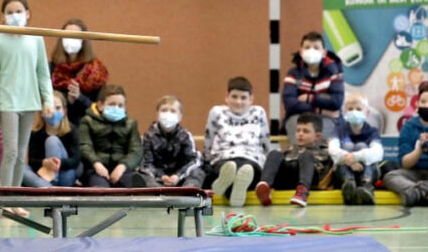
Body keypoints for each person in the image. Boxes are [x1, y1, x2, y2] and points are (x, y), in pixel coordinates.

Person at [0, 0, 54, 190]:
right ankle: (5, 198)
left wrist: (47, 100)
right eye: (10, 12)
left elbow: (43, 72)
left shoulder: (36, 40)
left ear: (27, 13)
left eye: (18, 11)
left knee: (21, 152)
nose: (15, 15)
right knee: (10, 151)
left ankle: (15, 198)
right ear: (2, 16)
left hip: (29, 100)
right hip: (8, 102)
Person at [203, 76, 270, 207]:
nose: (238, 102)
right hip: (224, 158)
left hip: (251, 159)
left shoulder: (258, 112)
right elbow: (208, 139)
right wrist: (206, 159)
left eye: (243, 98)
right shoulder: (217, 112)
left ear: (251, 99)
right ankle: (228, 184)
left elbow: (265, 140)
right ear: (226, 96)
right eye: (234, 97)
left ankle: (226, 188)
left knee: (248, 170)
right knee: (228, 167)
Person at [384, 82, 428, 207]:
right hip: (413, 173)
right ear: (417, 103)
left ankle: (417, 191)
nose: (426, 105)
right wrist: (419, 149)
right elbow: (405, 163)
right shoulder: (408, 127)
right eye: (423, 101)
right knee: (390, 176)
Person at [255, 112, 333, 207]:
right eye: (298, 130)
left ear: (317, 136)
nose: (300, 134)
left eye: (305, 131)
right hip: (289, 177)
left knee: (305, 155)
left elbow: (323, 170)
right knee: (275, 153)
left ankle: (302, 192)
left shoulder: (323, 148)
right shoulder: (291, 148)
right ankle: (265, 186)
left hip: (310, 177)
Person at [282, 31, 345, 143]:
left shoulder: (334, 72)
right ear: (301, 51)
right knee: (297, 128)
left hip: (329, 119)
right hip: (298, 118)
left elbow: (336, 102)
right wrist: (320, 110)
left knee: (317, 135)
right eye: (307, 47)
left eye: (316, 48)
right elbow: (289, 103)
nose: (311, 51)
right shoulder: (293, 73)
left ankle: (317, 159)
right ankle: (298, 158)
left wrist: (309, 98)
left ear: (324, 52)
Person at [79, 84, 143, 187]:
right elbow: (85, 146)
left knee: (135, 183)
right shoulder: (87, 121)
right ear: (100, 105)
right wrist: (96, 164)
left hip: (123, 169)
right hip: (95, 170)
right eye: (112, 104)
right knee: (100, 188)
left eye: (120, 105)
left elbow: (136, 151)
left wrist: (122, 166)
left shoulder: (131, 124)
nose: (116, 108)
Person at [136, 95, 205, 188]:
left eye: (173, 111)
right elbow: (146, 163)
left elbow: (194, 160)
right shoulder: (149, 136)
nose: (168, 113)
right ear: (157, 113)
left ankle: (188, 192)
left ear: (180, 116)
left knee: (198, 172)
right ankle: (158, 193)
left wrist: (178, 176)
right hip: (157, 179)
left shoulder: (185, 135)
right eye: (164, 110)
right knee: (141, 175)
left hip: (180, 178)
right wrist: (161, 176)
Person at [50, 18, 109, 126]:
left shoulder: (96, 71)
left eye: (75, 36)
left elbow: (99, 109)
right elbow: (47, 104)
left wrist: (79, 97)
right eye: (67, 36)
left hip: (89, 129)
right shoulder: (53, 68)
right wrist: (67, 100)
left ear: (84, 40)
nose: (70, 39)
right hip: (58, 127)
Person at [329, 92, 383, 205]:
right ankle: (349, 184)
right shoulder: (339, 130)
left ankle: (366, 186)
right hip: (345, 170)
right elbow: (333, 149)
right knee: (348, 146)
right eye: (350, 109)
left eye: (358, 109)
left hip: (366, 170)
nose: (354, 112)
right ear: (345, 112)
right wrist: (349, 160)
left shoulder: (372, 131)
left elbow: (378, 152)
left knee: (361, 146)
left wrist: (355, 156)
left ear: (367, 112)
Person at [22, 91, 81, 187]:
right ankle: (50, 189)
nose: (53, 112)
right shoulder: (35, 133)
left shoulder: (71, 130)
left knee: (52, 140)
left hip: (65, 175)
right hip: (43, 176)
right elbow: (32, 161)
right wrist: (45, 163)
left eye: (57, 108)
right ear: (41, 112)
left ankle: (49, 187)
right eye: (49, 108)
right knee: (20, 168)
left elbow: (76, 160)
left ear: (64, 111)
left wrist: (59, 163)